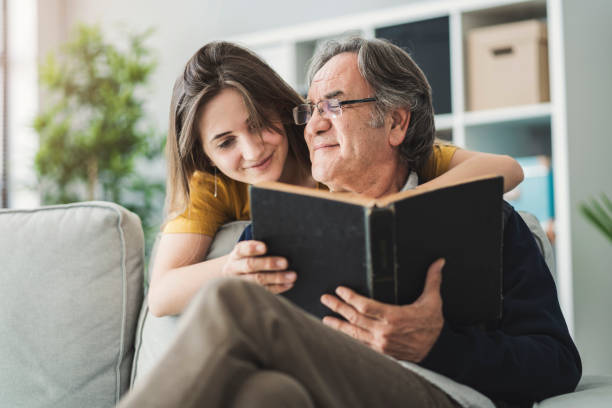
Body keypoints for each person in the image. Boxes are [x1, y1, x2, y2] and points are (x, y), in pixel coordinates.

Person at [120, 37, 581, 407]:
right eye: (310, 110)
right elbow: (166, 293)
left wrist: (434, 344)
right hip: (329, 389)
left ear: (396, 122)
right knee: (267, 395)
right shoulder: (271, 230)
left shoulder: (490, 221)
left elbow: (559, 363)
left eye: (334, 106)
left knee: (232, 302)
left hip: (440, 390)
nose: (313, 126)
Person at [148, 41, 525, 318]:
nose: (252, 151)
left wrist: (400, 210)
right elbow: (162, 295)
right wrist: (232, 269)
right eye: (226, 142)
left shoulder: (335, 143)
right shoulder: (214, 185)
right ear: (205, 156)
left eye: (260, 124)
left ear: (282, 111)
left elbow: (507, 168)